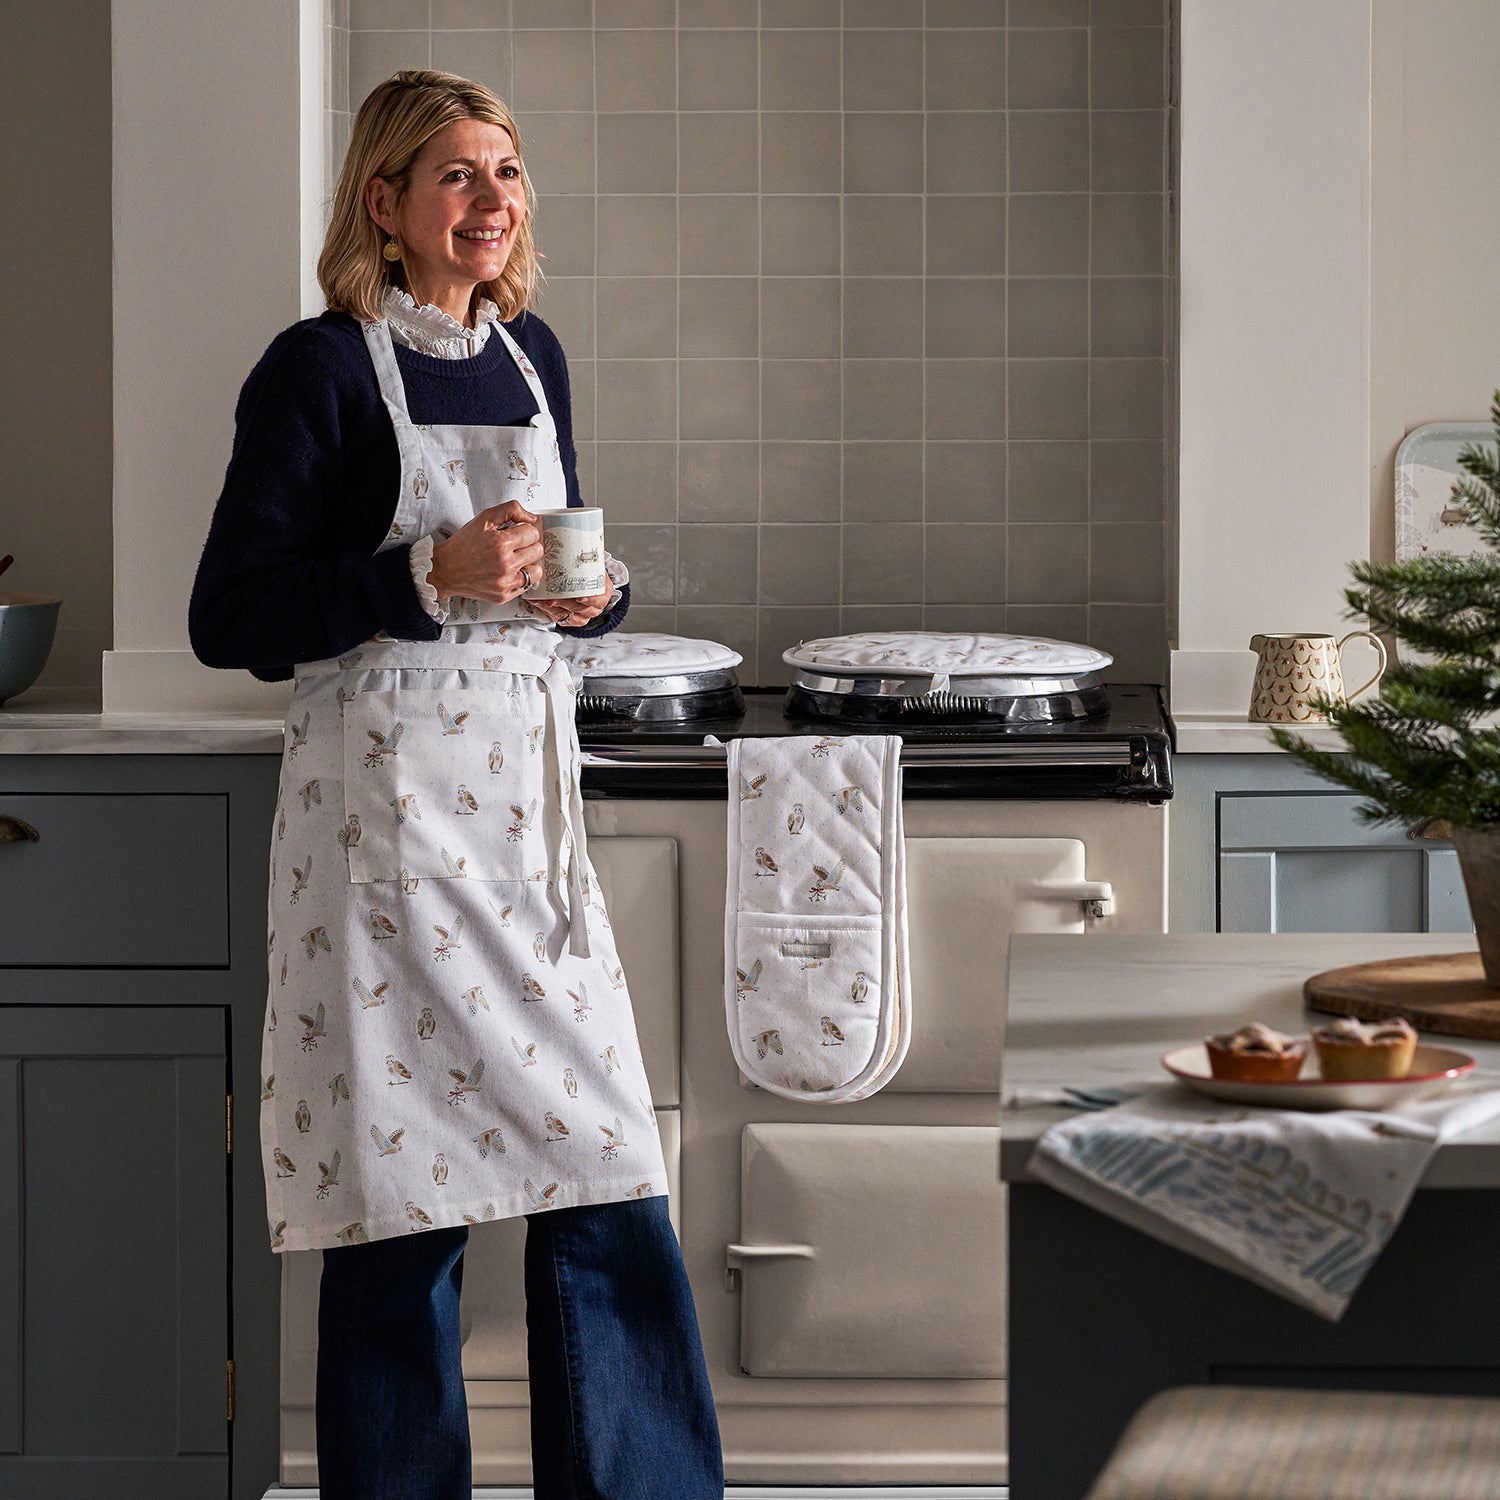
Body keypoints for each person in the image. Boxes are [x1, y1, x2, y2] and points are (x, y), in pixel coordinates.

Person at [188, 69, 723, 1500]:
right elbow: (231, 617)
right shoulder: (315, 368)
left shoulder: (531, 351)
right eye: (458, 176)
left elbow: (549, 568)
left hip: (528, 829)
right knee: (402, 1202)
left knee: (610, 1171)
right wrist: (423, 575)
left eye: (509, 172)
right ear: (385, 203)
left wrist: (592, 596)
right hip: (389, 836)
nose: (494, 201)